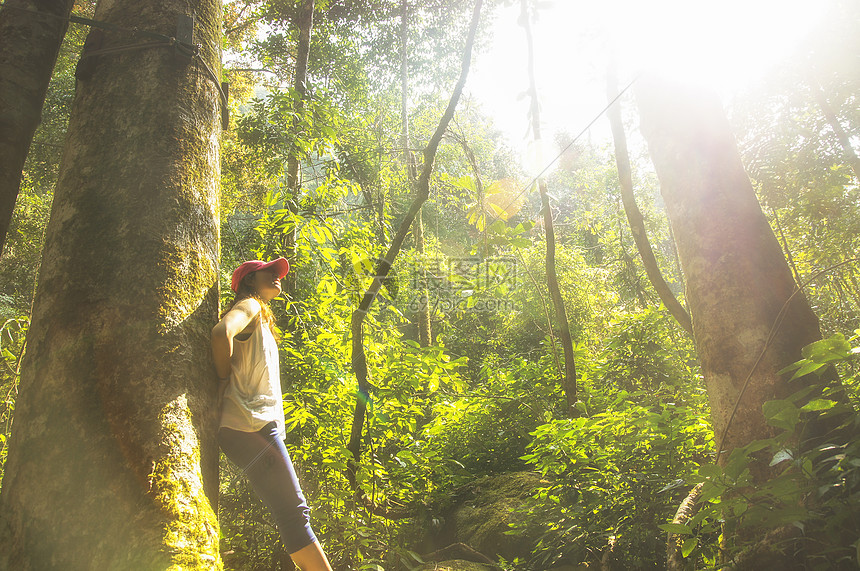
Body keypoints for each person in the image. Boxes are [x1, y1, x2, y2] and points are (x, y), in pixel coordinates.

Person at [211, 257, 333, 571]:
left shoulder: (260, 316)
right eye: (270, 272)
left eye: (278, 273)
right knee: (294, 511)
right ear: (250, 280)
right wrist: (223, 382)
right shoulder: (249, 305)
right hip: (250, 424)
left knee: (290, 510)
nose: (278, 276)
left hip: (252, 426)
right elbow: (221, 332)